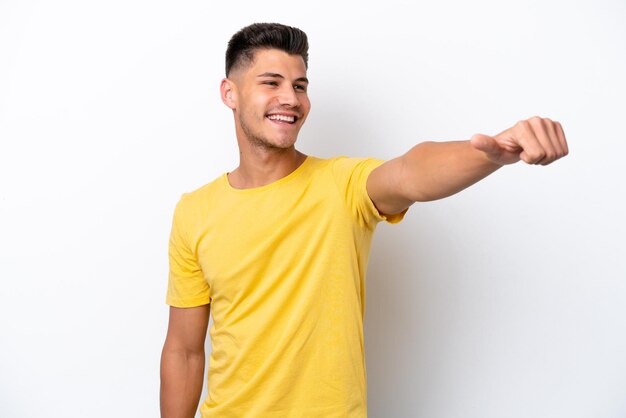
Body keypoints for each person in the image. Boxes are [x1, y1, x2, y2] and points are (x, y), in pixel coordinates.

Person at [159, 22, 568, 418]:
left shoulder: (342, 183)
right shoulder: (195, 210)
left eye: (300, 86)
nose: (292, 98)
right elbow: (184, 349)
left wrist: (489, 154)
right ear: (229, 93)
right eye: (272, 82)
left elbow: (410, 172)